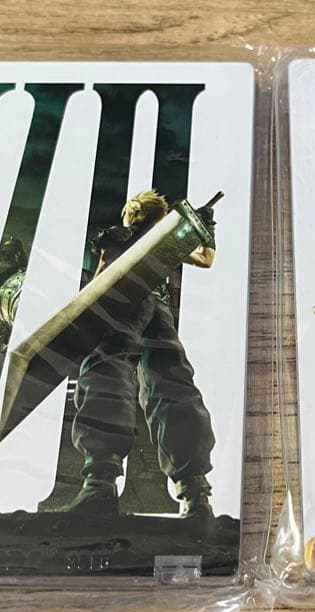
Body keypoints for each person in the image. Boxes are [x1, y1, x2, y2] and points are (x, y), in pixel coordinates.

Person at [69, 190, 217, 519]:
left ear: (133, 212)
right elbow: (206, 258)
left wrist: (89, 312)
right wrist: (207, 229)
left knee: (108, 371)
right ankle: (194, 492)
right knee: (171, 381)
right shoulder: (166, 238)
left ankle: (100, 484)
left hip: (123, 300)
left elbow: (102, 275)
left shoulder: (123, 236)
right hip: (156, 310)